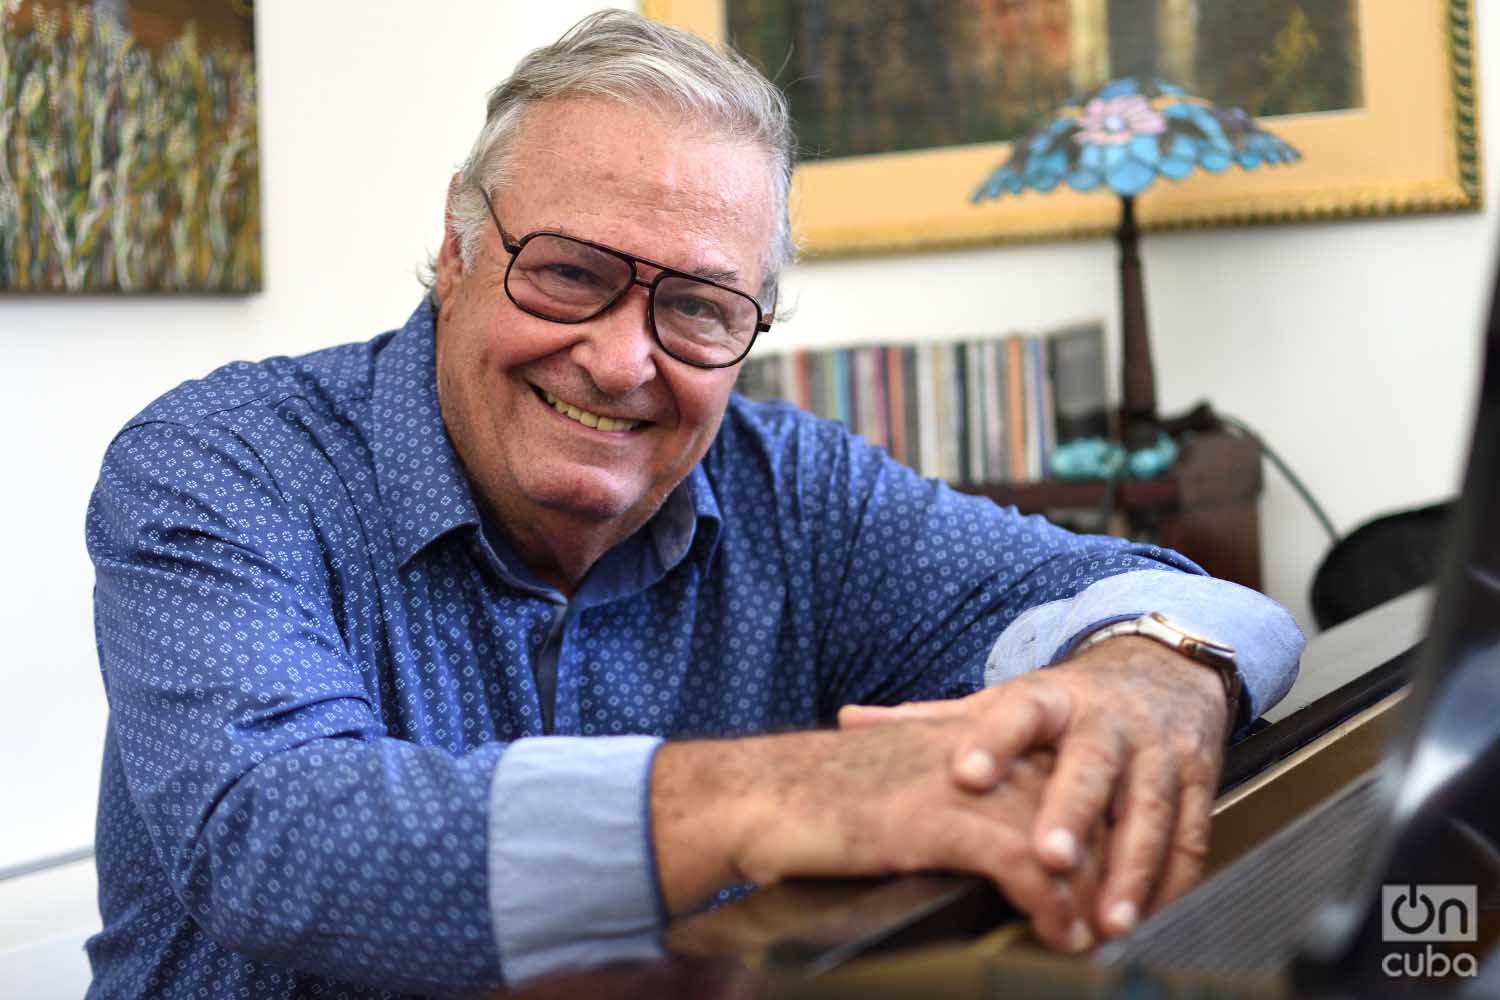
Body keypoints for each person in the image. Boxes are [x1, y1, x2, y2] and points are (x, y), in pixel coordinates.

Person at [84, 10, 1303, 998]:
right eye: (569, 272)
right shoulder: (224, 461)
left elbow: (1165, 600)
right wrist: (784, 795)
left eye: (699, 309)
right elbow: (272, 834)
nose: (623, 361)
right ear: (458, 249)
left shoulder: (799, 490)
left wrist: (1157, 671)